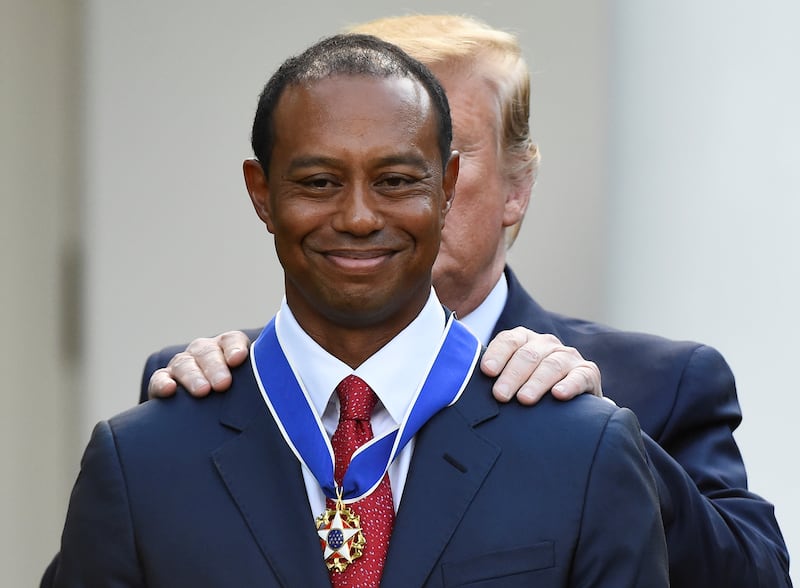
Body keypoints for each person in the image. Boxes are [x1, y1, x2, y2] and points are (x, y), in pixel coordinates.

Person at [146, 14, 793, 588]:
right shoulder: (214, 388)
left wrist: (609, 446)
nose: (372, 207)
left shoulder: (651, 389)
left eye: (419, 161)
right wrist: (195, 425)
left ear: (516, 187)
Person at [47, 33, 669, 587]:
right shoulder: (143, 460)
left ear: (448, 188)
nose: (359, 218)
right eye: (319, 182)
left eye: (396, 180)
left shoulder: (580, 449)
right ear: (261, 195)